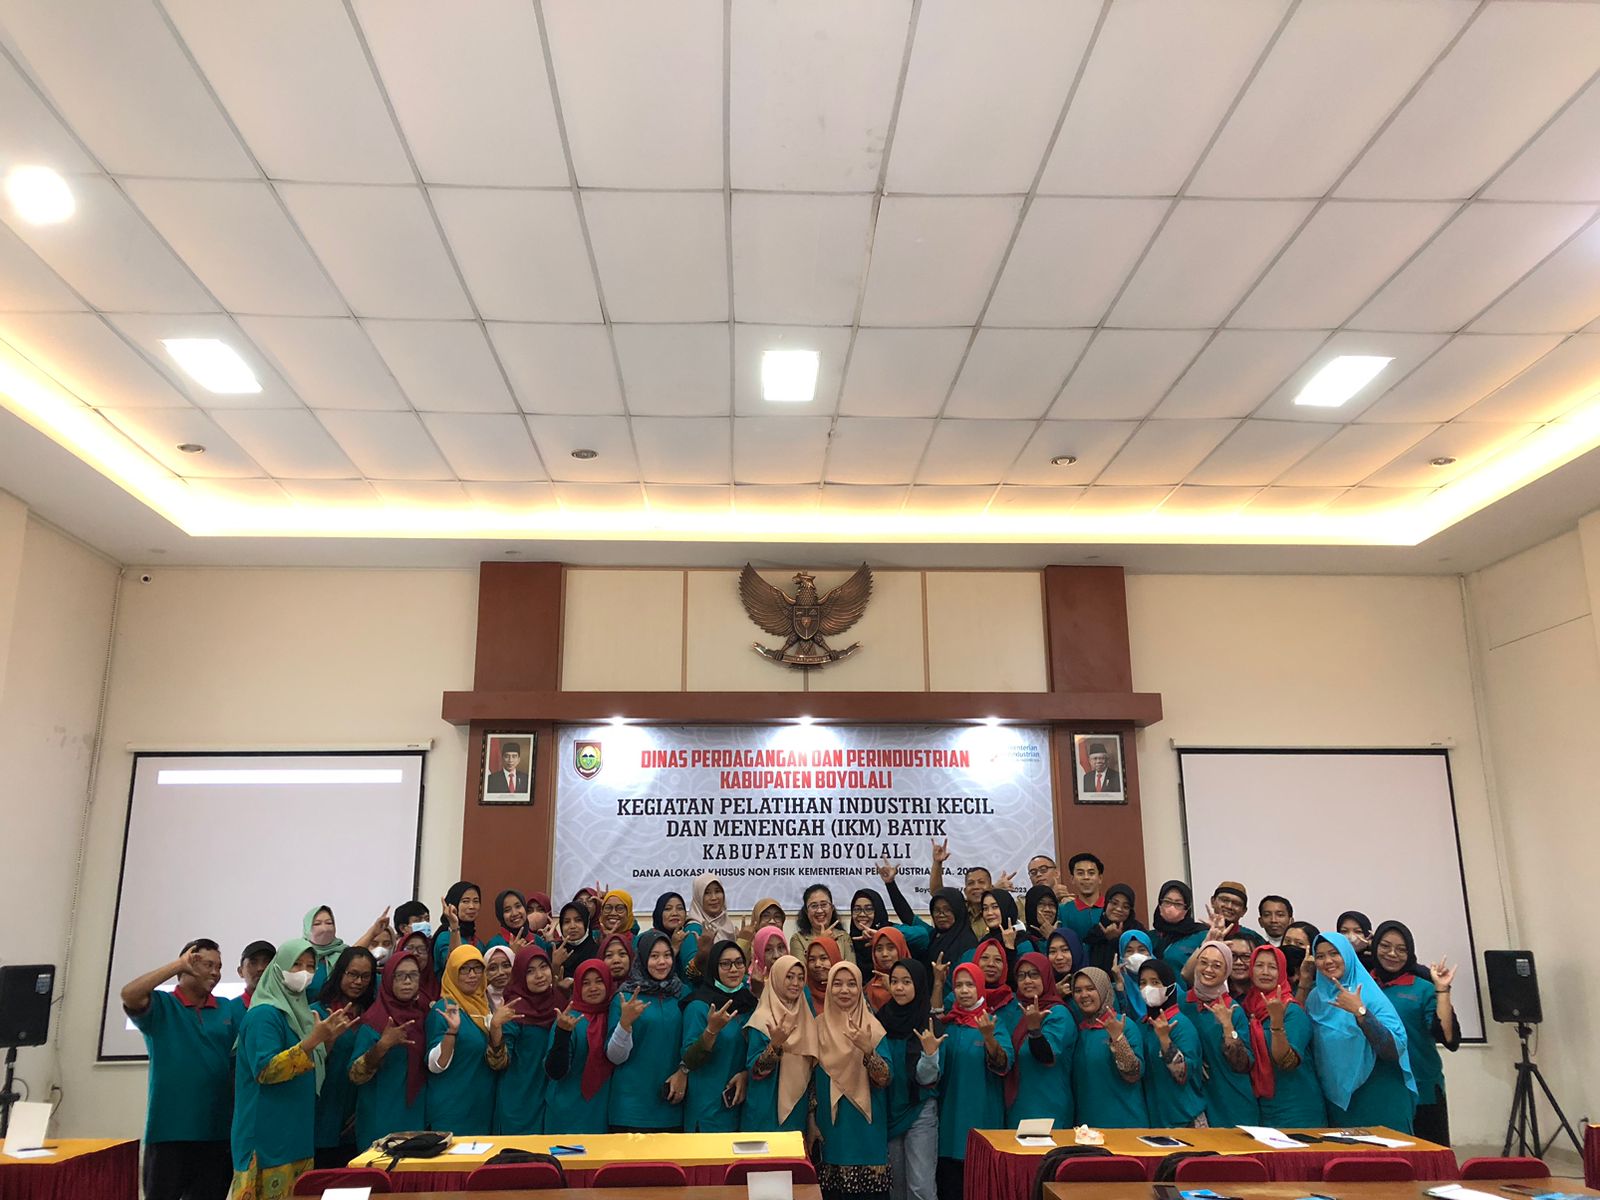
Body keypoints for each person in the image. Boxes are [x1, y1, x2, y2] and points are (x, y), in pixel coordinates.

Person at [230, 939, 354, 1199]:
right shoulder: (264, 1014)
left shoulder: (301, 1013)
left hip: (296, 1131)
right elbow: (266, 1070)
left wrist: (327, 1040)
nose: (304, 972)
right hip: (266, 1134)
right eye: (296, 964)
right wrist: (313, 1040)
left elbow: (309, 1064)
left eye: (310, 966)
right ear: (278, 968)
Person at [121, 939, 239, 1200]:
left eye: (219, 967)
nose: (215, 972)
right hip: (169, 1131)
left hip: (217, 1132)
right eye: (208, 965)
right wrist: (177, 965)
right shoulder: (162, 1005)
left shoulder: (227, 1008)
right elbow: (129, 994)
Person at [1307, 931, 1418, 1131]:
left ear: (1348, 955)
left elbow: (1394, 1049)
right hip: (1337, 1099)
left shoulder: (1367, 992)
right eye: (1320, 956)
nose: (1328, 961)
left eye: (1335, 953)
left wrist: (1360, 1012)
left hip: (1379, 1093)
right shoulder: (1315, 998)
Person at [1370, 920, 1459, 1144]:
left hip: (1422, 1089)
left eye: (1402, 949)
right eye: (1385, 946)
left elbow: (1448, 1038)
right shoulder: (1363, 984)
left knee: (1428, 1158)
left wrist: (1442, 989)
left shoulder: (1423, 988)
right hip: (1376, 1090)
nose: (1392, 954)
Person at [811, 961, 891, 1200]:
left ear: (860, 989)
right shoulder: (817, 1027)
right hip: (830, 1130)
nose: (844, 990)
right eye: (837, 984)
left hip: (866, 1130)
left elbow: (884, 1079)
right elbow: (809, 1082)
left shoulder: (872, 1027)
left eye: (851, 984)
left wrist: (868, 1051)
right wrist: (810, 1119)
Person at [934, 962, 1009, 1200]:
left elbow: (1003, 1063)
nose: (964, 990)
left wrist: (989, 1039)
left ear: (980, 987)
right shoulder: (949, 1025)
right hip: (949, 1124)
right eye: (959, 985)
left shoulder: (992, 1022)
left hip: (982, 1121)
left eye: (970, 985)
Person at [605, 929, 688, 1132]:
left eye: (667, 955)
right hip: (631, 1109)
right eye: (654, 956)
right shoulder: (625, 997)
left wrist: (683, 1071)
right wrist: (624, 1024)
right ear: (642, 958)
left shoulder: (682, 994)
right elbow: (615, 1057)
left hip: (671, 1103)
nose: (662, 962)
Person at [348, 950, 429, 1147]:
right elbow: (355, 1075)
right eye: (400, 976)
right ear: (387, 979)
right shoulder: (373, 1021)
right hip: (380, 1119)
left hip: (416, 1115)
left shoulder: (423, 1015)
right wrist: (382, 1046)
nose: (407, 981)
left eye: (413, 975)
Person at [425, 945, 509, 1133]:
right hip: (453, 1110)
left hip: (482, 1108)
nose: (472, 975)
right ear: (452, 972)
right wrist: (451, 1032)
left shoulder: (485, 1007)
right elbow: (435, 1065)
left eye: (478, 968)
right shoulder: (445, 1009)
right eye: (464, 969)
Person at [1242, 945, 1326, 1127]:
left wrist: (1277, 1022)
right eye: (1259, 965)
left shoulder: (1292, 1010)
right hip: (1262, 1108)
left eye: (1272, 967)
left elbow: (1287, 1061)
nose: (1265, 972)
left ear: (1281, 972)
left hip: (1296, 1108)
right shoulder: (1247, 1007)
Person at [876, 958, 939, 1200]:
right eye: (894, 981)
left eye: (906, 982)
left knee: (920, 1188)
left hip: (919, 1109)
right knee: (896, 1188)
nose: (899, 987)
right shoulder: (882, 1019)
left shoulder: (928, 1022)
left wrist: (930, 1055)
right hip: (889, 1111)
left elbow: (927, 1079)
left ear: (919, 985)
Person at [310, 947, 377, 1168]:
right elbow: (305, 1064)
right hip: (323, 1110)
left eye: (365, 976)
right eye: (352, 974)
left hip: (360, 1114)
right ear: (340, 973)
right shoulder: (317, 1013)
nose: (358, 982)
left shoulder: (374, 1014)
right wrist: (328, 1041)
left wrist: (363, 1108)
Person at [1180, 941, 1258, 1126]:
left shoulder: (1233, 1009)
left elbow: (1243, 1064)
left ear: (1226, 971)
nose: (1208, 969)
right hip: (1194, 1096)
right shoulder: (1182, 1003)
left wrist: (1228, 1028)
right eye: (1203, 962)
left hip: (1230, 1097)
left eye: (1217, 966)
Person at [681, 939, 756, 1132]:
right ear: (714, 967)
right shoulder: (700, 1006)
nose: (734, 969)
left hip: (741, 1110)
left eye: (739, 963)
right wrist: (711, 1031)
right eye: (725, 964)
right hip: (707, 1112)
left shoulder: (749, 1004)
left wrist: (746, 1075)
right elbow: (689, 1060)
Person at [745, 953, 817, 1135]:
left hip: (797, 1110)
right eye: (789, 977)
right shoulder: (762, 1019)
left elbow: (812, 1071)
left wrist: (811, 1116)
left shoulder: (806, 1018)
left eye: (800, 978)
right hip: (765, 1108)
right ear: (776, 978)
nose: (796, 983)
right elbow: (756, 1071)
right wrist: (774, 1046)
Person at [1130, 958, 1205, 1127]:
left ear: (1170, 986)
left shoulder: (1180, 1024)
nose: (1148, 988)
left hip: (1185, 1120)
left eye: (1155, 982)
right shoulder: (1142, 1025)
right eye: (1143, 983)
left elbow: (1183, 1074)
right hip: (1156, 1119)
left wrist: (1165, 1040)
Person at [494, 944, 561, 1134]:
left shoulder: (559, 1001)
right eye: (530, 971)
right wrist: (496, 1028)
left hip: (550, 1099)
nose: (539, 975)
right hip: (520, 1098)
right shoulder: (514, 1010)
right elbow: (500, 1062)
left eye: (543, 967)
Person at [1004, 952, 1075, 1126]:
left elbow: (1047, 1056)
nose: (1027, 981)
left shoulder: (1057, 1013)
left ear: (1046, 976)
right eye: (1021, 976)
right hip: (1017, 1106)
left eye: (1034, 974)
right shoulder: (1015, 1012)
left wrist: (1035, 1029)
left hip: (1047, 1107)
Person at [1070, 966, 1146, 1128]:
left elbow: (1134, 1073)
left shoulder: (1124, 1025)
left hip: (1125, 1125)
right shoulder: (1079, 1031)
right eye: (1078, 990)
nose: (1084, 995)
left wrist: (1118, 1039)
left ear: (1104, 990)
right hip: (1088, 1128)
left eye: (1091, 989)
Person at [545, 959, 614, 1133]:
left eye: (599, 981)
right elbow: (555, 1071)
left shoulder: (614, 1016)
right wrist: (563, 1033)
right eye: (586, 983)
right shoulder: (568, 1020)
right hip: (567, 1112)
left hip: (602, 1111)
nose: (593, 988)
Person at [1085, 885, 1146, 974]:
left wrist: (1115, 940)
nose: (1119, 909)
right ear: (1106, 904)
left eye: (1125, 906)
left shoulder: (1137, 932)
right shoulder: (1095, 932)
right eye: (1114, 903)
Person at [794, 883, 856, 967]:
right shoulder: (797, 939)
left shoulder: (843, 937)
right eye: (814, 906)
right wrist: (821, 940)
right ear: (806, 911)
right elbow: (800, 971)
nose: (819, 911)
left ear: (832, 908)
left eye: (824, 905)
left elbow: (851, 969)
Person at [1151, 880, 1208, 969]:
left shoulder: (1201, 935)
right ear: (1160, 904)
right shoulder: (1149, 937)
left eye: (1178, 904)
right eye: (1167, 902)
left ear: (1187, 908)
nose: (1171, 907)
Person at [435, 880, 488, 972]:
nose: (472, 906)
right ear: (454, 903)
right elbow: (454, 965)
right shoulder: (445, 937)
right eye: (465, 901)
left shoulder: (477, 941)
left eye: (476, 901)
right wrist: (454, 924)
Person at [1058, 853, 1106, 939]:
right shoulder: (1063, 911)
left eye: (1091, 873)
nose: (1086, 877)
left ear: (1100, 878)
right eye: (1080, 873)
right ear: (1072, 879)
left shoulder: (1111, 908)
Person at [687, 872, 739, 950]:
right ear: (698, 897)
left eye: (717, 891)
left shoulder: (727, 924)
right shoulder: (693, 929)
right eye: (707, 893)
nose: (714, 898)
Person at [651, 890, 697, 978]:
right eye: (668, 909)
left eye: (680, 908)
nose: (675, 913)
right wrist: (674, 948)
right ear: (659, 913)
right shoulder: (648, 939)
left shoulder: (689, 935)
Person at [978, 888, 1035, 958]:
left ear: (1006, 908)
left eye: (995, 907)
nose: (989, 913)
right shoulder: (985, 941)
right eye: (985, 908)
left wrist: (1010, 947)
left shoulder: (1022, 942)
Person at [551, 901, 598, 986]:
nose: (572, 926)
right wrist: (555, 965)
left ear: (586, 923)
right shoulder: (554, 951)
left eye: (578, 920)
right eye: (567, 921)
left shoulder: (598, 951)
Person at [866, 928, 913, 1010]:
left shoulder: (915, 980)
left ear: (901, 949)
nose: (884, 954)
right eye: (879, 949)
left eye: (891, 948)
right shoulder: (870, 986)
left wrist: (891, 989)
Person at [804, 936, 843, 1013]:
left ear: (835, 958)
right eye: (812, 959)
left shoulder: (849, 991)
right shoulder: (802, 994)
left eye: (823, 958)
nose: (817, 964)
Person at [750, 925, 791, 995]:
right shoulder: (747, 986)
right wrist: (758, 991)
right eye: (768, 949)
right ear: (758, 953)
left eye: (781, 947)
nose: (776, 955)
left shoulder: (797, 981)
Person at [1044, 929, 1086, 996]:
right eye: (1052, 951)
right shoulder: (1044, 984)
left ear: (1076, 951)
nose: (1059, 957)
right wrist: (1053, 994)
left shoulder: (1093, 981)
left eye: (1065, 950)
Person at [237, 940, 274, 1009]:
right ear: (240, 971)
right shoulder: (229, 1009)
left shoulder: (286, 1006)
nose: (261, 968)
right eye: (253, 963)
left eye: (267, 962)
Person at [484, 944, 515, 1010]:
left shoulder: (525, 995)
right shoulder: (480, 998)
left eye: (506, 966)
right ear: (485, 972)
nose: (500, 972)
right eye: (493, 968)